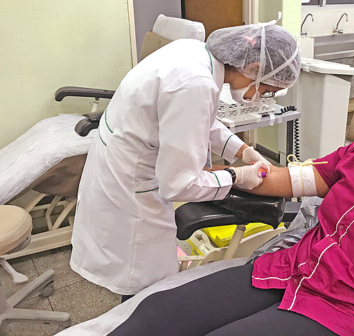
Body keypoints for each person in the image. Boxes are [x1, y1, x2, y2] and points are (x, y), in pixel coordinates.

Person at [107, 69, 354, 336]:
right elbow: (289, 179)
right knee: (156, 316)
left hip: (345, 312)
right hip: (290, 270)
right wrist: (233, 173)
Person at [70, 23, 301, 298]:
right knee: (145, 289)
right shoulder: (195, 84)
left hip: (118, 166)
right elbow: (179, 184)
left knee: (144, 281)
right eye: (266, 89)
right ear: (252, 68)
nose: (261, 97)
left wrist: (243, 151)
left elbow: (201, 121)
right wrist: (237, 176)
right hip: (131, 191)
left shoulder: (194, 53)